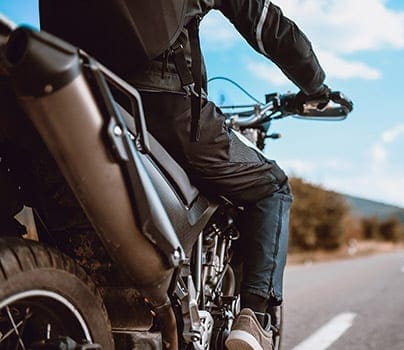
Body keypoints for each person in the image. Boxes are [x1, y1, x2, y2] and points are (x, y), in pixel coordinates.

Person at [37, 1, 331, 349]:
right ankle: (254, 318)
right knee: (273, 187)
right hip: (164, 106)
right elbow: (268, 25)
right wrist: (316, 86)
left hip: (70, 93)